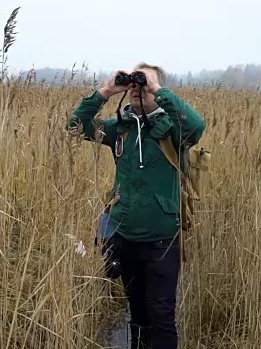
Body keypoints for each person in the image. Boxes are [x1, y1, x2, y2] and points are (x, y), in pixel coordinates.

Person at [67, 62, 206, 349]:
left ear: (159, 90)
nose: (136, 90)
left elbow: (197, 127)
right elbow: (75, 127)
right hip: (125, 236)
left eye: (145, 85)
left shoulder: (173, 130)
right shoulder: (121, 128)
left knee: (162, 317)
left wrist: (157, 88)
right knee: (138, 314)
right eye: (134, 85)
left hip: (162, 240)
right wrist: (106, 91)